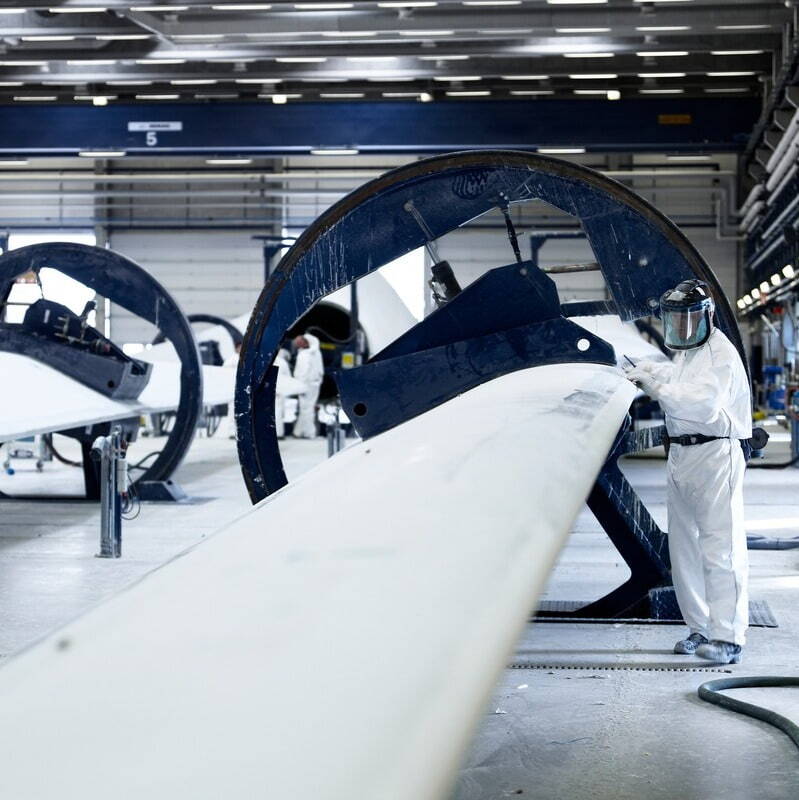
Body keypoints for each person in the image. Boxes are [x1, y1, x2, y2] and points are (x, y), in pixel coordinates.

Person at [625, 279, 752, 665]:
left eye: (688, 321)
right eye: (675, 322)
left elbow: (702, 406)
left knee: (720, 547)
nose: (681, 330)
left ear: (707, 317)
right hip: (681, 453)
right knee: (685, 549)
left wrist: (656, 388)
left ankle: (728, 637)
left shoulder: (721, 355)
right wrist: (645, 370)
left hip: (715, 453)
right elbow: (675, 383)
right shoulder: (686, 353)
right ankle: (699, 628)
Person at [292, 333, 324, 439]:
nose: (297, 344)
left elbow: (303, 372)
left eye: (299, 342)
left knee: (307, 409)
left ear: (305, 342)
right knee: (306, 408)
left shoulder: (304, 355)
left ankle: (310, 433)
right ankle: (298, 432)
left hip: (306, 385)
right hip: (314, 384)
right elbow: (320, 371)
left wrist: (299, 386)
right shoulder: (316, 353)